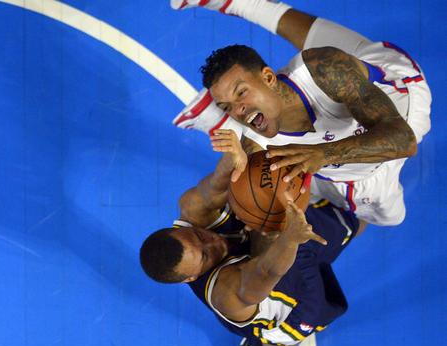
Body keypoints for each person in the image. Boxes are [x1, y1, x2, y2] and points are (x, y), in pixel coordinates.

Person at [169, 0, 432, 227]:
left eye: (241, 93)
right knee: (392, 218)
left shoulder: (323, 67)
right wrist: (233, 165)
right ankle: (215, 120)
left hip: (404, 101)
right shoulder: (256, 146)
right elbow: (209, 199)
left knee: (330, 55)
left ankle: (241, 3)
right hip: (360, 178)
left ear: (270, 77)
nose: (238, 109)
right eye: (226, 106)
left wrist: (323, 154)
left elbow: (404, 141)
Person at [140, 152, 365, 346]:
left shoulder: (192, 208)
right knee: (282, 341)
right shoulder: (226, 294)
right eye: (206, 255)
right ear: (191, 277)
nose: (213, 241)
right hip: (287, 298)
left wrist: (237, 155)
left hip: (278, 238)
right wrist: (290, 240)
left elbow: (218, 181)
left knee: (355, 218)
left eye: (199, 235)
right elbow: (268, 271)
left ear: (180, 228)